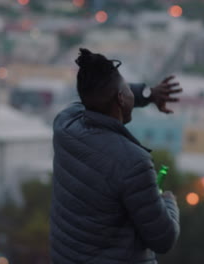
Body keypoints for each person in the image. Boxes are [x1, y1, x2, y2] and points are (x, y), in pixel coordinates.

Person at [50, 48, 181, 264]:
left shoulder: (65, 124)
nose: (131, 91)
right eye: (128, 88)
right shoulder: (133, 162)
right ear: (121, 98)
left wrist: (148, 94)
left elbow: (92, 98)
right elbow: (164, 239)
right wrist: (169, 203)